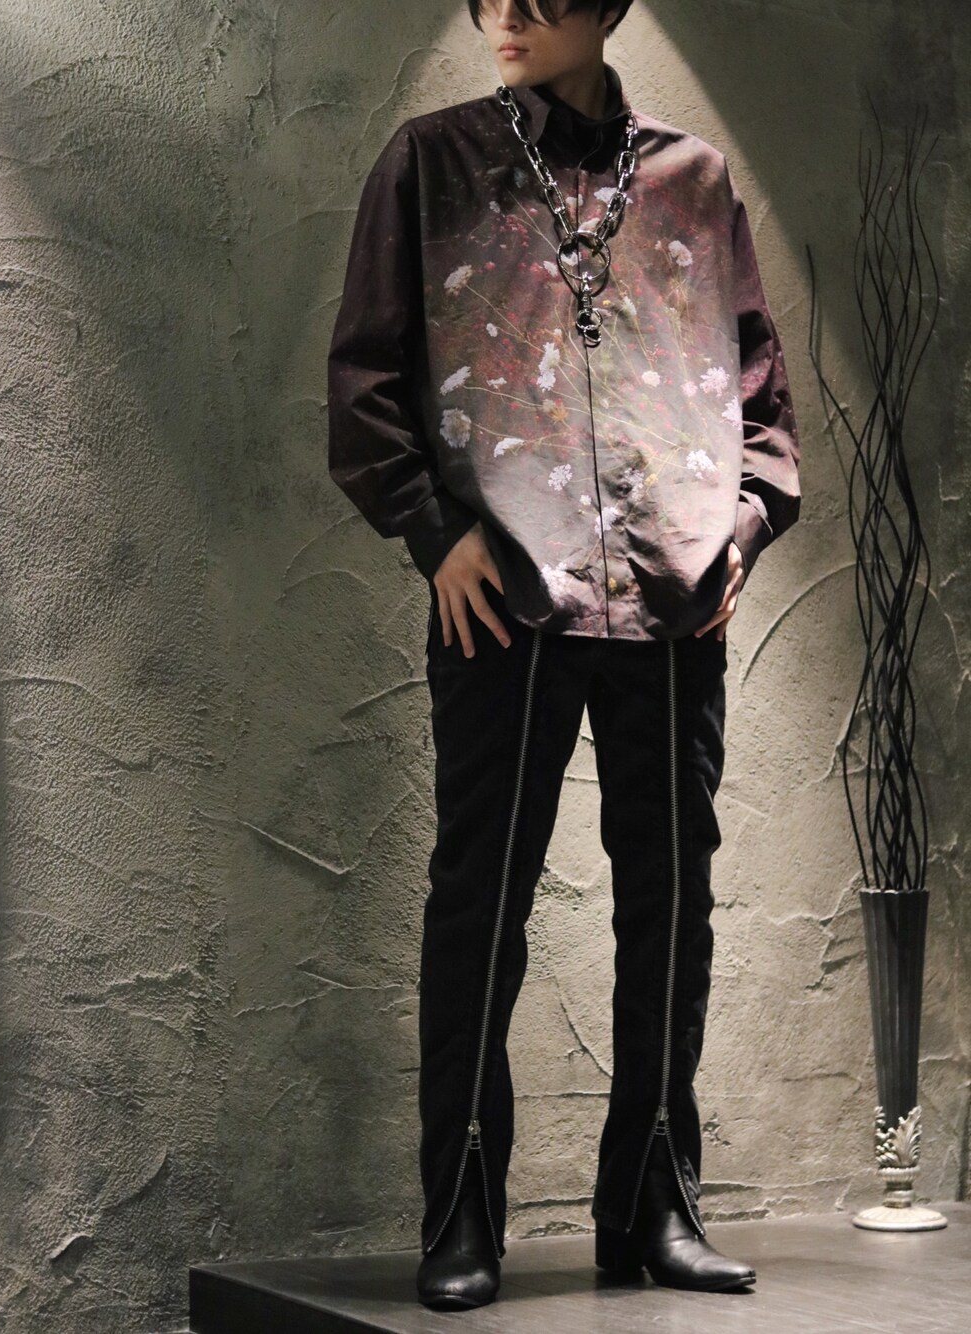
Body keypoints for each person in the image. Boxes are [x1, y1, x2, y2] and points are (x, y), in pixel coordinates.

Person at [327, 0, 801, 1312]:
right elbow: (365, 379)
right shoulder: (432, 162)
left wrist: (741, 530)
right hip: (507, 597)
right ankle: (461, 1216)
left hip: (671, 600)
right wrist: (435, 535)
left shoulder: (693, 181)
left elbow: (761, 396)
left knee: (673, 909)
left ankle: (653, 1206)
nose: (508, 15)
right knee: (479, 906)